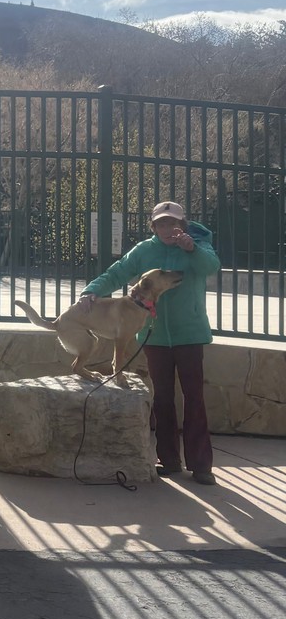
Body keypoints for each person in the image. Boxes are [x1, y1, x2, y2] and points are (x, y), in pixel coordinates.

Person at [77, 201, 221, 485]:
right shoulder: (144, 250)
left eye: (174, 223)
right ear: (153, 227)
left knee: (194, 397)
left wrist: (191, 249)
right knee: (163, 399)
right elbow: (118, 271)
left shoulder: (198, 245)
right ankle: (168, 460)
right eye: (162, 224)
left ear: (184, 224)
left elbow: (211, 267)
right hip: (154, 336)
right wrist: (92, 290)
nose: (169, 228)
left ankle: (201, 465)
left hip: (189, 332)